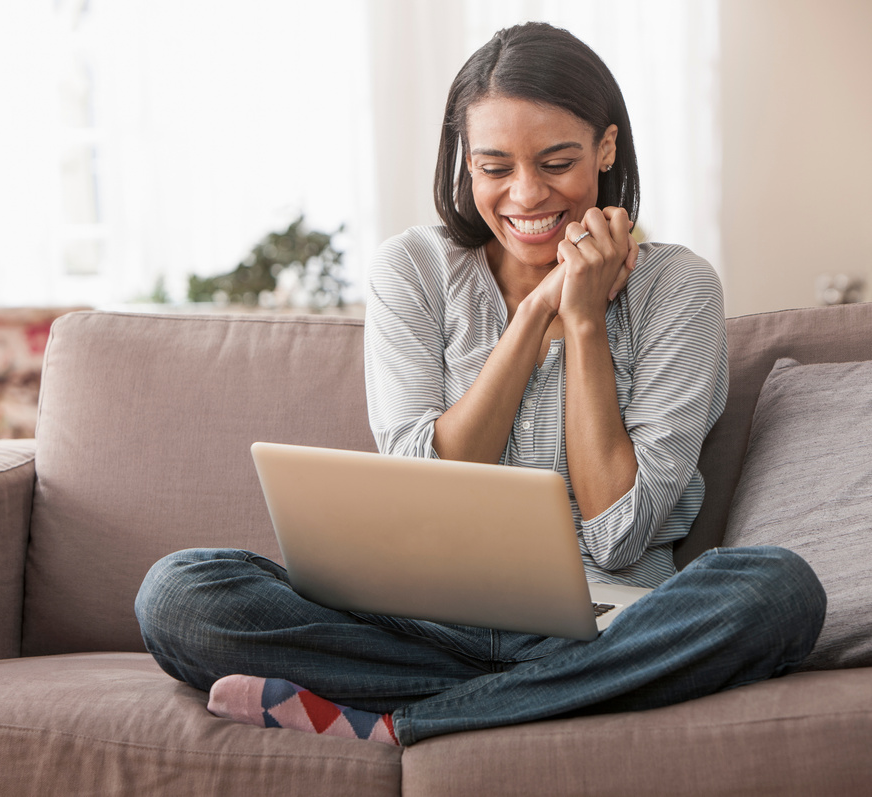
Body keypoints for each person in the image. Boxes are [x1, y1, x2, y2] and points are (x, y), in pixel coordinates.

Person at [135, 22, 825, 747]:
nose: (526, 194)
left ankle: (403, 720)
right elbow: (424, 489)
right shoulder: (413, 270)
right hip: (420, 622)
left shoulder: (677, 287)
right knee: (181, 594)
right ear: (464, 164)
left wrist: (585, 322)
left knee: (776, 592)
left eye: (557, 161)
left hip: (607, 622)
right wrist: (533, 315)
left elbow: (620, 536)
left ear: (607, 148)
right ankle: (537, 701)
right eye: (494, 167)